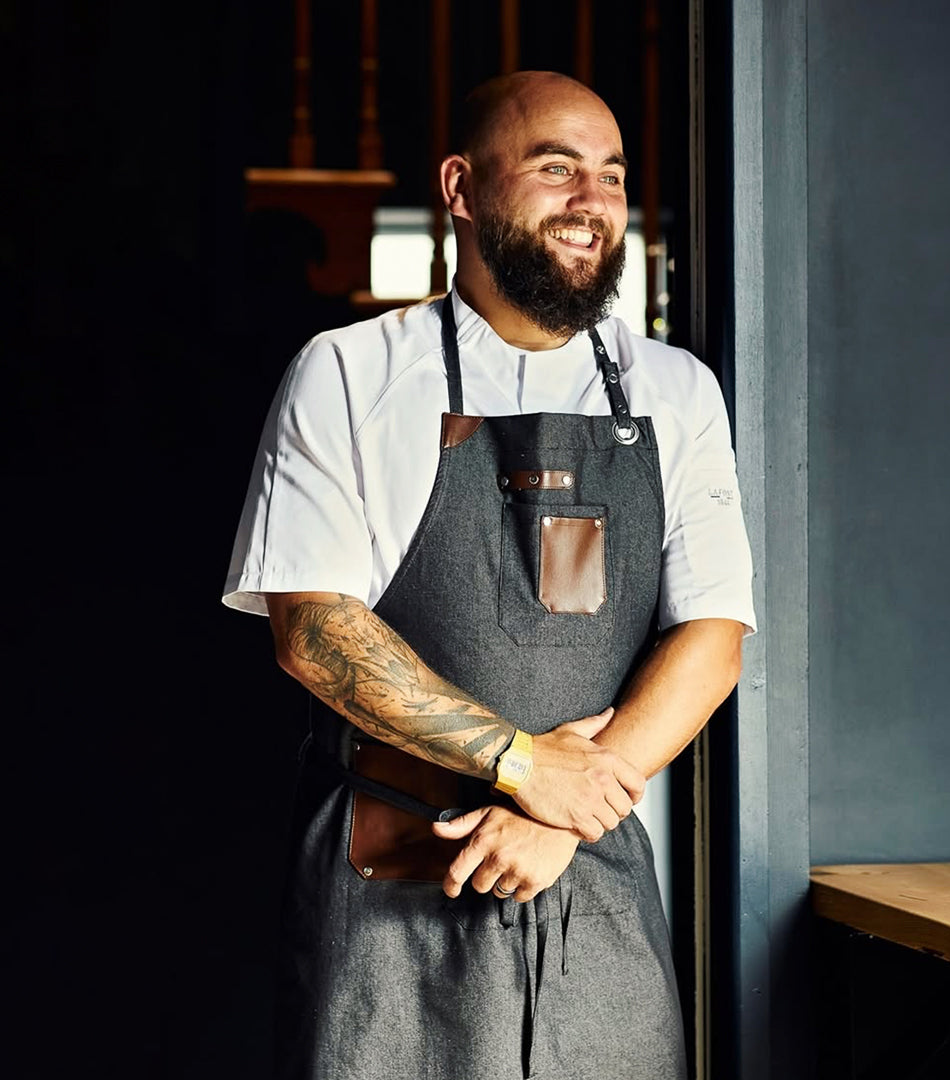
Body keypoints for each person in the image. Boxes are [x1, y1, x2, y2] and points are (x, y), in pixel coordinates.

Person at [223, 70, 755, 1080]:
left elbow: (713, 635)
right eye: (558, 170)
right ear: (462, 188)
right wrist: (526, 765)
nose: (594, 201)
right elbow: (314, 631)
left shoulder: (677, 392)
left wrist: (564, 808)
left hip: (588, 873)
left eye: (611, 175)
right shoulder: (350, 372)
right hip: (394, 880)